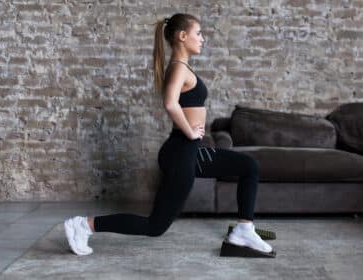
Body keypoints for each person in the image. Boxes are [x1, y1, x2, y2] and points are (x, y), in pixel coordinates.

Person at [64, 13, 274, 257]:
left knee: (248, 166)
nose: (202, 39)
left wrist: (193, 136)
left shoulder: (182, 67)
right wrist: (190, 132)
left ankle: (244, 229)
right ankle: (84, 225)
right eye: (199, 33)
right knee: (155, 226)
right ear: (183, 36)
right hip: (180, 153)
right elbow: (170, 103)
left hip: (189, 151)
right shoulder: (177, 68)